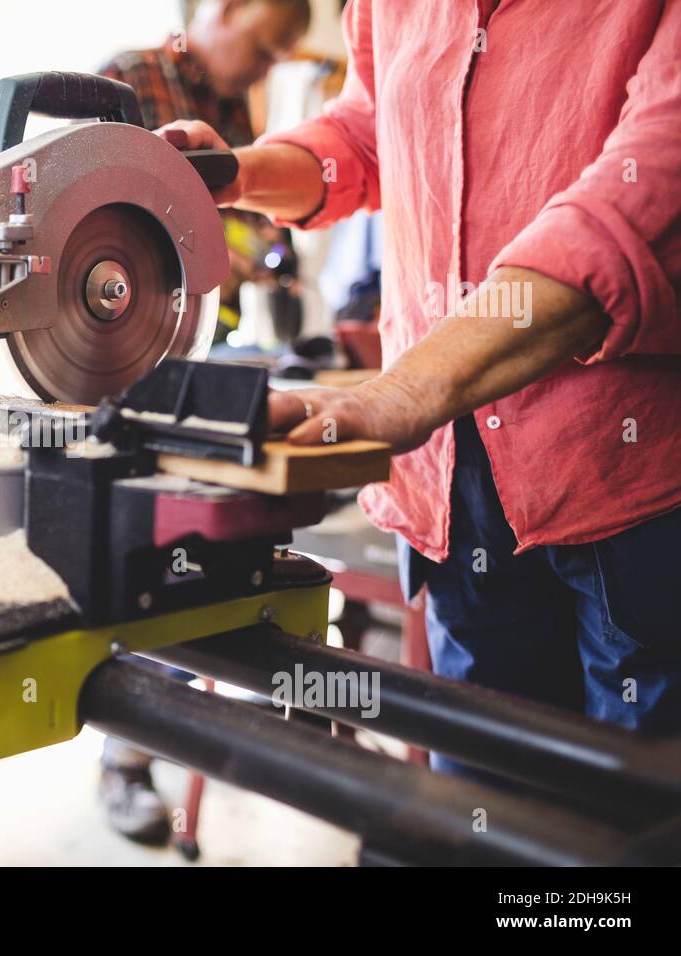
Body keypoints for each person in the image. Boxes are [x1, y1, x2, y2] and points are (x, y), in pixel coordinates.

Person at [160, 0, 681, 777]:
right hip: (452, 477)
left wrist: (403, 391)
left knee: (627, 826)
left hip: (621, 479)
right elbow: (372, 132)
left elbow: (644, 193)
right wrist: (241, 173)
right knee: (480, 806)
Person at [94, 0, 311, 844]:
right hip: (114, 358)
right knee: (136, 552)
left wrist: (267, 260)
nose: (261, 71)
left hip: (194, 358)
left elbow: (232, 234)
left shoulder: (228, 110)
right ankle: (125, 758)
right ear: (224, 10)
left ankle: (208, 729)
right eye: (261, 49)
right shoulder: (126, 80)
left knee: (201, 553)